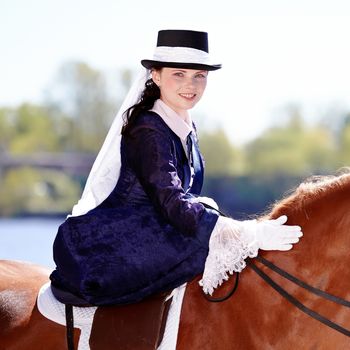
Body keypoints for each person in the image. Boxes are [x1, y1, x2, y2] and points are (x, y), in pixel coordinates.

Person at [49, 29, 303, 306]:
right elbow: (171, 200)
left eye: (199, 76)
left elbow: (185, 201)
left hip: (160, 229)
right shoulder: (147, 128)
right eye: (178, 74)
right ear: (156, 76)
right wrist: (244, 233)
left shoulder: (186, 126)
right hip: (113, 243)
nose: (190, 85)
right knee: (216, 241)